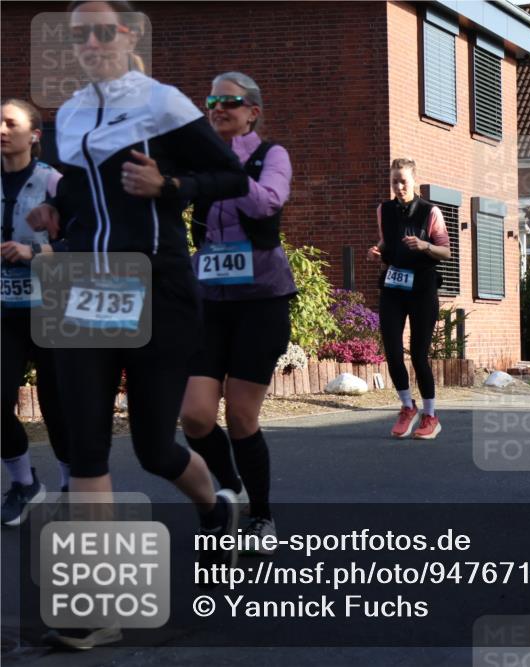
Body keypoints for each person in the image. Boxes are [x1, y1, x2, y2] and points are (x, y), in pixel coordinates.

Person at [26, 0, 249, 647]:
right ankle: (97, 606)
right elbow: (71, 191)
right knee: (85, 444)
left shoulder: (162, 103)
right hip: (81, 284)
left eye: (104, 31)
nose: (91, 43)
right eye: (79, 36)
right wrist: (51, 214)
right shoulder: (66, 116)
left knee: (155, 447)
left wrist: (169, 185)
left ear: (127, 37)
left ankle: (216, 505)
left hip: (156, 283)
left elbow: (229, 176)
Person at [179, 72, 295, 554]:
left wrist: (228, 166)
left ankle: (262, 516)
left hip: (261, 302)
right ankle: (232, 489)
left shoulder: (273, 156)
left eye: (230, 101)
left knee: (243, 416)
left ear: (253, 112)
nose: (218, 108)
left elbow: (269, 202)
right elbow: (175, 202)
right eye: (211, 101)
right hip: (210, 300)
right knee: (196, 417)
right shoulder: (202, 158)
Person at [0, 99, 71, 526]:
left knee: (58, 406)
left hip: (51, 308)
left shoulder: (54, 183)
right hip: (5, 311)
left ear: (35, 135)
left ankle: (70, 485)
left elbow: (83, 240)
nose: (2, 131)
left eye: (10, 123)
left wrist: (36, 252)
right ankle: (24, 483)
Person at [367, 158, 451, 440]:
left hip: (422, 286)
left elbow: (446, 251)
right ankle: (407, 407)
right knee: (391, 349)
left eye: (403, 181)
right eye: (394, 182)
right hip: (393, 284)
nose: (399, 186)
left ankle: (430, 415)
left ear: (414, 181)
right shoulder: (384, 210)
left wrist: (425, 245)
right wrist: (377, 250)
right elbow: (387, 241)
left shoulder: (430, 211)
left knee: (418, 353)